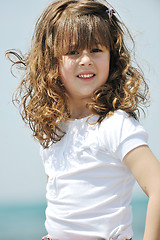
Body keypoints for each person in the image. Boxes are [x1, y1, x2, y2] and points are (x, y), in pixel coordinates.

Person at [6, 0, 160, 239]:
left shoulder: (114, 125)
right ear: (51, 62)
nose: (86, 59)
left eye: (96, 50)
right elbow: (61, 204)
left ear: (112, 57)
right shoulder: (53, 130)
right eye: (73, 51)